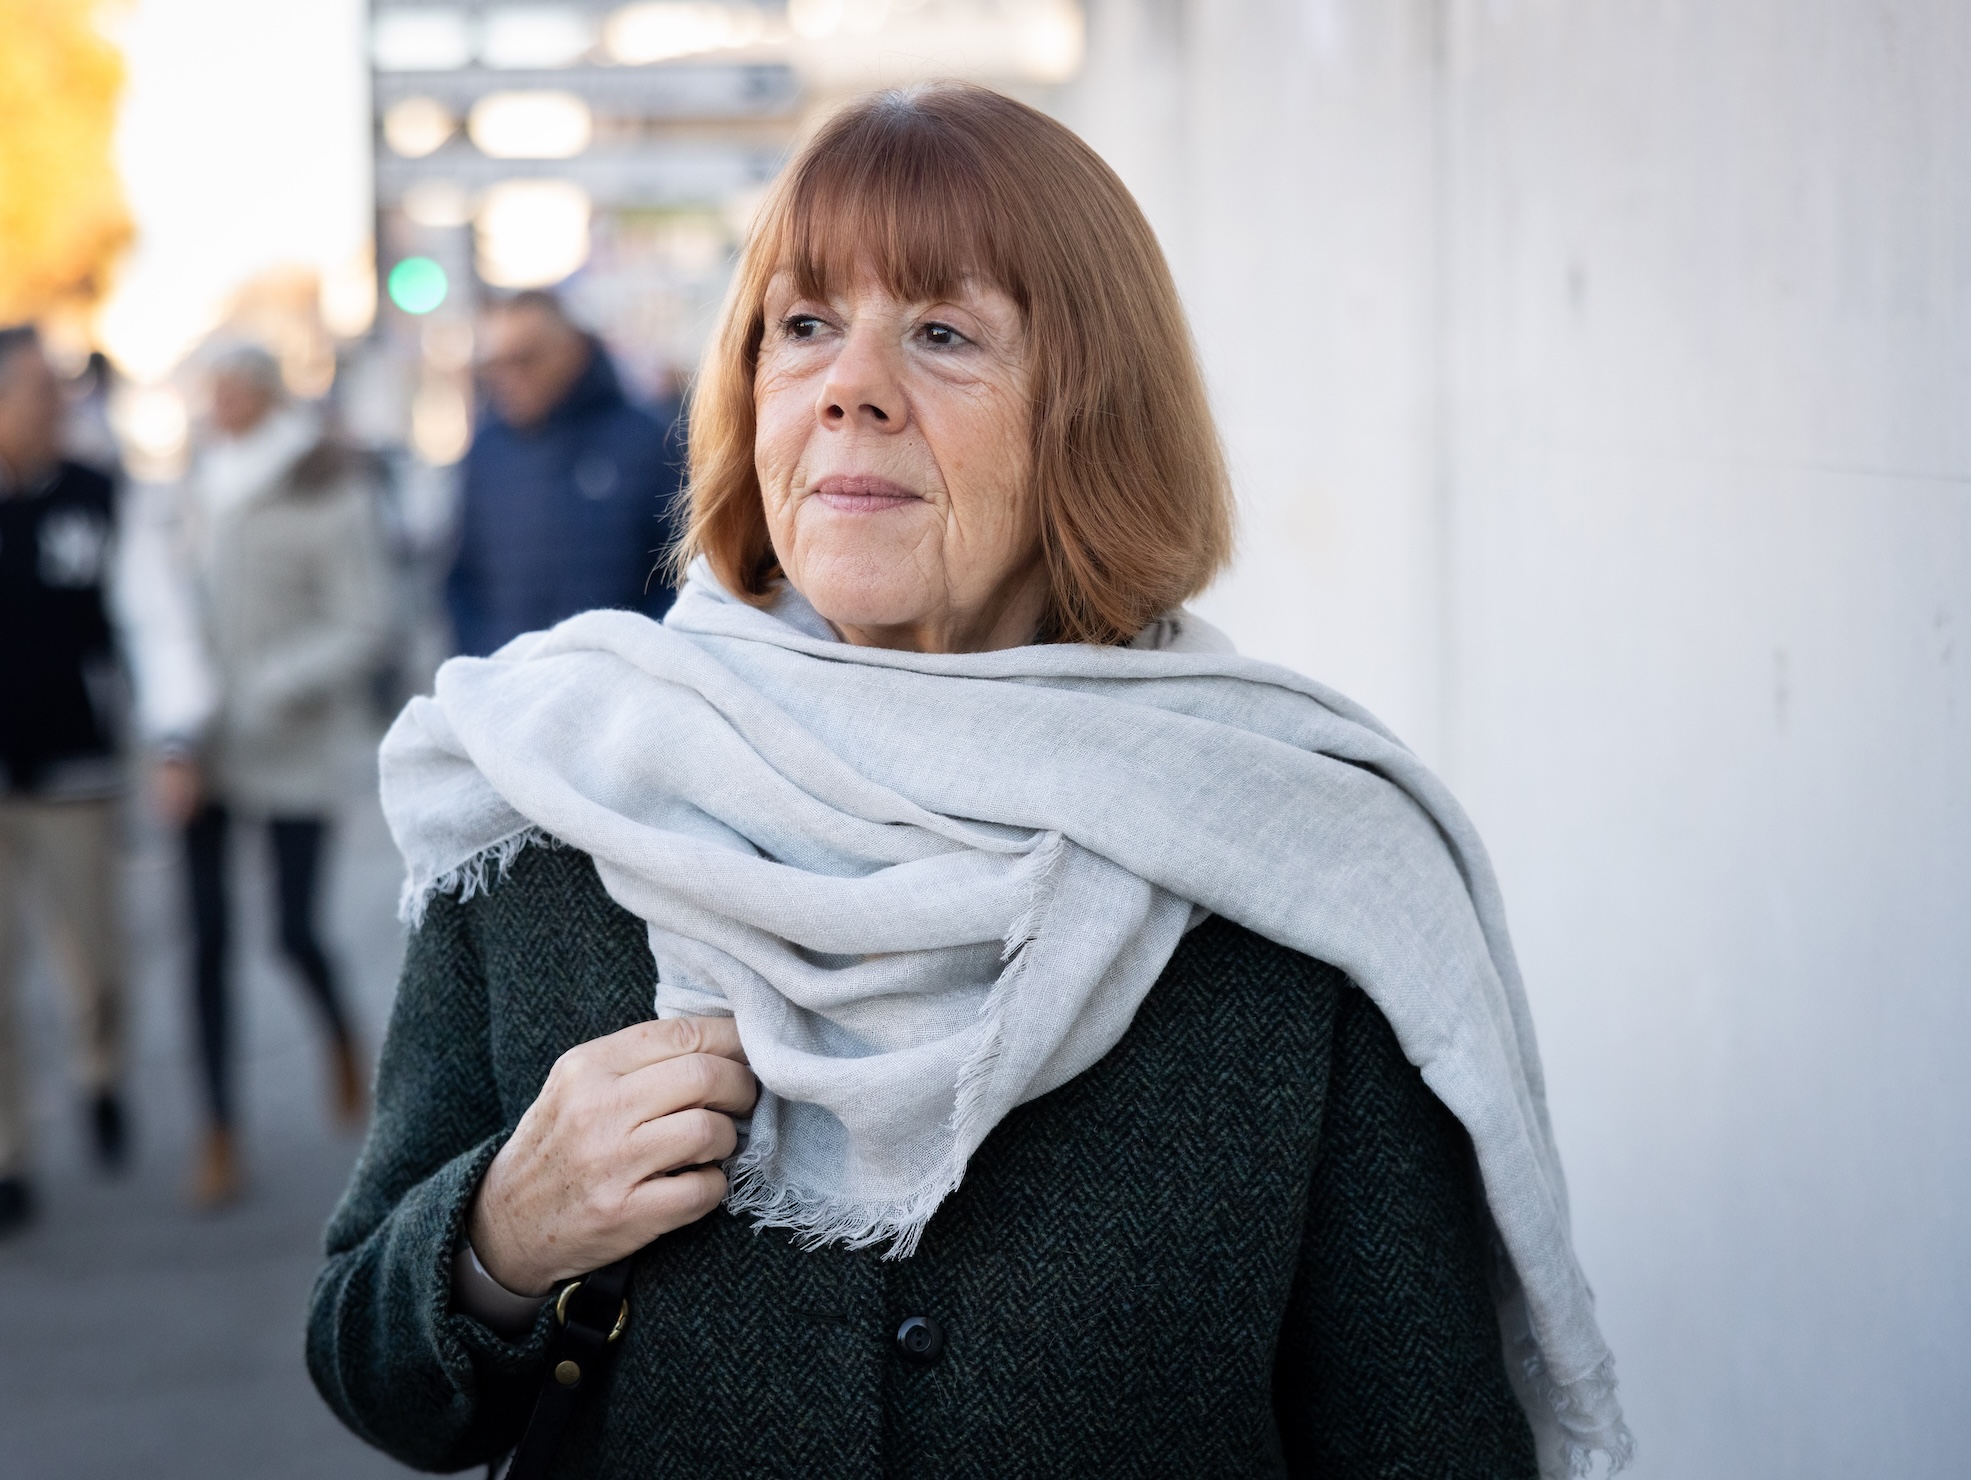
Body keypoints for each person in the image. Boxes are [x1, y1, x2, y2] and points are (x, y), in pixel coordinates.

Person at [309, 86, 1633, 1478]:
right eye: (803, 326)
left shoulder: (1294, 868)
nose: (850, 385)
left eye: (942, 333)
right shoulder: (562, 797)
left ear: (1093, 417)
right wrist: (501, 1236)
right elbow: (370, 1368)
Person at [118, 344, 387, 1207]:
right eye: (213, 392)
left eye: (234, 390)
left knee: (292, 932)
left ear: (267, 395)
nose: (220, 405)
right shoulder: (194, 487)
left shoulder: (323, 486)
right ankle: (218, 1130)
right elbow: (164, 612)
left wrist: (275, 682)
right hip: (204, 747)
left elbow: (365, 621)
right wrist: (175, 723)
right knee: (206, 941)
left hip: (293, 746)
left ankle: (342, 1034)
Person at [0, 327, 129, 1236]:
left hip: (76, 766)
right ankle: (9, 1151)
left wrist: (171, 734)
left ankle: (101, 1072)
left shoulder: (97, 493)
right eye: (33, 389)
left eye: (56, 389)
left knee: (94, 957)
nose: (51, 405)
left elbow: (143, 616)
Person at [445, 292, 688, 658]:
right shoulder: (485, 451)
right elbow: (463, 578)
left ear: (573, 350)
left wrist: (636, 657)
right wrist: (487, 659)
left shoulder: (645, 440)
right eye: (495, 366)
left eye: (524, 359)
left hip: (621, 678)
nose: (509, 378)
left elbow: (681, 571)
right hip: (513, 677)